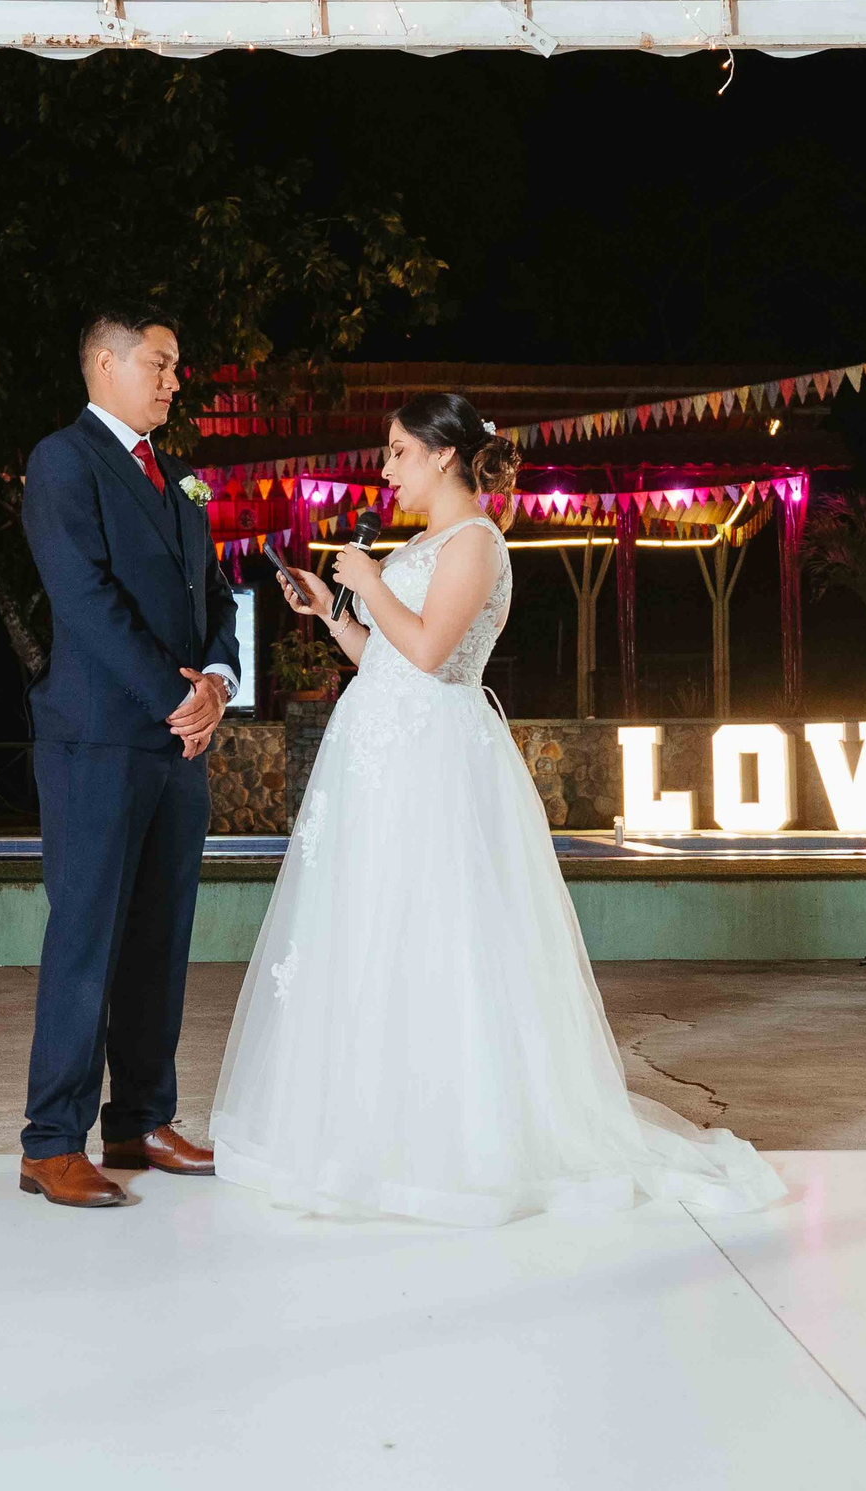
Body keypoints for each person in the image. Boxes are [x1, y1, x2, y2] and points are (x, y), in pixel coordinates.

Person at [212, 392, 786, 1226]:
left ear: (444, 454)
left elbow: (431, 651)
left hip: (434, 761)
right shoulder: (421, 544)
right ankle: (371, 1130)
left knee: (442, 931)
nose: (386, 468)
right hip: (380, 756)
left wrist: (366, 580)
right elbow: (384, 657)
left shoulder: (476, 541)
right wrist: (332, 611)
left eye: (399, 451)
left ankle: (462, 1138)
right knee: (374, 926)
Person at [15, 309, 239, 1208]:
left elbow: (215, 591)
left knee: (160, 938)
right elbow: (82, 594)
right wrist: (173, 694)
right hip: (98, 738)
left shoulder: (179, 477)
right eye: (160, 363)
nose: (174, 380)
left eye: (176, 366)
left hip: (179, 746)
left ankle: (140, 1119)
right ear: (105, 363)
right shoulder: (62, 461)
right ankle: (50, 1141)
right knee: (87, 938)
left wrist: (219, 679)